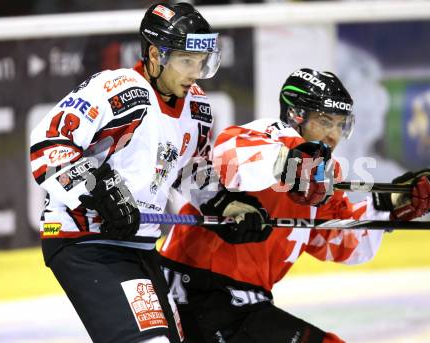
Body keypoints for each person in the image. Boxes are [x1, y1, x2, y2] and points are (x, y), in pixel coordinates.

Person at [159, 68, 430, 342]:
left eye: (340, 125)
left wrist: (393, 204)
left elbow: (338, 239)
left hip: (241, 305)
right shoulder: (270, 135)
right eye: (325, 121)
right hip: (194, 290)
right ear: (295, 115)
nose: (333, 135)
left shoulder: (324, 174)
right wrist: (286, 163)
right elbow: (225, 157)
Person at [29, 2, 223, 342]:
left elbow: (192, 172)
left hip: (141, 247)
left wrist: (226, 206)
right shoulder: (119, 89)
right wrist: (99, 191)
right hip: (85, 240)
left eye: (201, 62)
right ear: (154, 54)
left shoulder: (198, 107)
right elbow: (48, 144)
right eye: (185, 61)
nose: (195, 72)